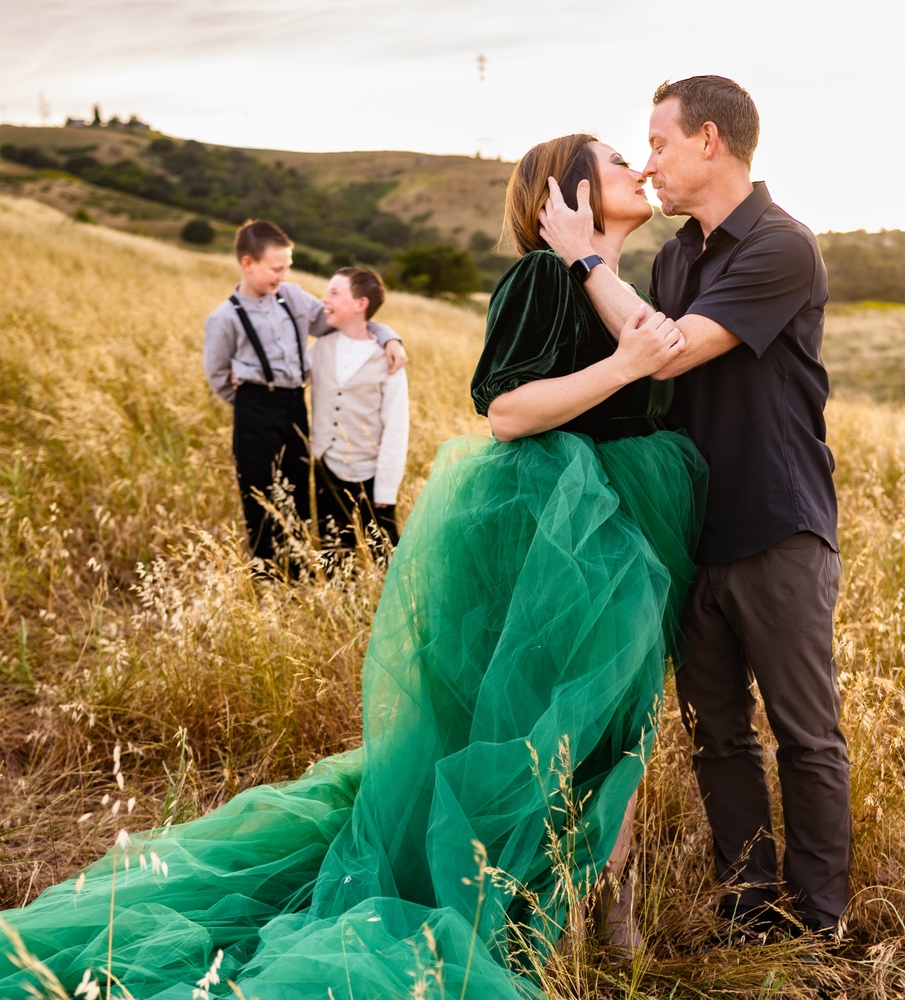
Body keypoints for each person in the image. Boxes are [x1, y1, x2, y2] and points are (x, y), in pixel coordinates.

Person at [0, 136, 706, 999]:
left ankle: (611, 907)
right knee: (536, 724)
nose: (638, 162)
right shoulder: (541, 278)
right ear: (570, 188)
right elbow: (508, 411)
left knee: (621, 716)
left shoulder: (616, 276)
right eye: (614, 154)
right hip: (551, 524)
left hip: (626, 519)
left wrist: (623, 326)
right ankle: (504, 895)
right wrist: (625, 363)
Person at [539, 75, 848, 938]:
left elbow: (665, 355)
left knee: (806, 737)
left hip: (779, 525)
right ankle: (750, 912)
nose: (650, 165)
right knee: (718, 737)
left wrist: (586, 256)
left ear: (709, 141)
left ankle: (820, 928)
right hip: (691, 536)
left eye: (661, 144)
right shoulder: (676, 257)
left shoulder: (784, 246)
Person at [203, 219, 407, 567]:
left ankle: (297, 568)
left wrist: (387, 334)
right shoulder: (224, 317)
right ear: (247, 264)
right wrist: (251, 402)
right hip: (254, 408)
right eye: (276, 268)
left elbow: (345, 316)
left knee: (297, 492)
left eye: (287, 268)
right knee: (259, 492)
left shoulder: (293, 297)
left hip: (295, 405)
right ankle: (268, 572)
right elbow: (218, 375)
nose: (282, 275)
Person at [310, 266, 408, 556]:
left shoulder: (389, 359)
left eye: (334, 292)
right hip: (326, 466)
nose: (324, 299)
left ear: (360, 304)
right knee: (334, 552)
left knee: (386, 556)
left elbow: (396, 427)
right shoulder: (319, 348)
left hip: (370, 473)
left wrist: (386, 489)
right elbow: (289, 377)